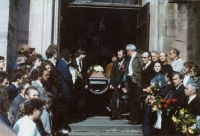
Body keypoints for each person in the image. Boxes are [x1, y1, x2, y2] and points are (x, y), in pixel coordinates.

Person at [125, 44, 143, 125]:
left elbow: (142, 68)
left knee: (137, 100)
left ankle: (136, 119)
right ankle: (132, 118)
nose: (126, 53)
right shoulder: (130, 58)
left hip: (136, 81)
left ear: (130, 51)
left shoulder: (138, 56)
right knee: (131, 100)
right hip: (130, 80)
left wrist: (139, 80)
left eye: (127, 52)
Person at [109, 49, 128, 120]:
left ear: (124, 55)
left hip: (122, 83)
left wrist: (121, 83)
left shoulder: (126, 63)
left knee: (121, 99)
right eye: (118, 54)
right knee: (114, 98)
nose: (118, 56)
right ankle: (114, 114)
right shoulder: (115, 63)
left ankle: (120, 114)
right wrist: (111, 83)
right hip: (114, 83)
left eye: (120, 55)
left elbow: (125, 74)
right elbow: (112, 73)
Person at [57, 49, 73, 121]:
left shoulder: (60, 62)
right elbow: (67, 77)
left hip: (62, 85)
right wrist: (71, 83)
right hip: (64, 86)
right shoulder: (64, 64)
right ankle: (64, 119)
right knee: (65, 104)